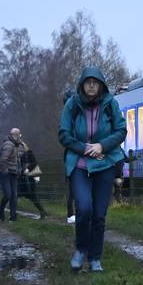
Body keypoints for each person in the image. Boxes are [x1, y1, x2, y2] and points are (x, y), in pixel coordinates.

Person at [60, 67, 127, 273]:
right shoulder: (72, 105)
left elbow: (121, 130)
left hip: (105, 163)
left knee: (99, 214)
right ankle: (81, 250)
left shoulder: (110, 104)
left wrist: (102, 146)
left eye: (95, 82)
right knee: (84, 208)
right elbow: (64, 135)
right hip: (80, 164)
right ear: (81, 84)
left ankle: (95, 257)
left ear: (101, 85)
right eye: (87, 81)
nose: (91, 85)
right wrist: (86, 149)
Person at [0, 127, 25, 221]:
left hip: (14, 173)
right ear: (15, 135)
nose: (20, 136)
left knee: (14, 196)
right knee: (8, 195)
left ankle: (13, 217)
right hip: (5, 173)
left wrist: (21, 169)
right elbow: (2, 159)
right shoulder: (8, 145)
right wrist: (5, 171)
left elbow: (20, 159)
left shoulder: (20, 145)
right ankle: (1, 210)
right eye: (19, 135)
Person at [18, 144, 47, 219]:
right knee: (20, 194)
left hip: (30, 177)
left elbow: (34, 163)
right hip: (23, 178)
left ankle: (42, 212)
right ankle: (12, 213)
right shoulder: (19, 155)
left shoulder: (29, 153)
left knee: (32, 196)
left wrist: (28, 169)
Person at [62, 89, 77, 225]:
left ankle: (71, 214)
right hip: (73, 155)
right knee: (73, 188)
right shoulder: (70, 116)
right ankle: (71, 214)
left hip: (71, 155)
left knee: (73, 188)